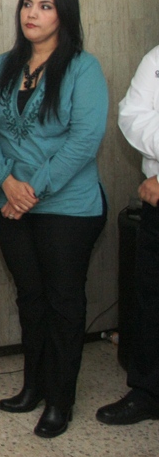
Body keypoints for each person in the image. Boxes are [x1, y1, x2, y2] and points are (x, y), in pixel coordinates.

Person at [0, 0, 107, 438]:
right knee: (30, 298)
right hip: (7, 202)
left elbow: (85, 140)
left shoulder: (83, 68)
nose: (32, 14)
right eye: (27, 4)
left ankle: (60, 399)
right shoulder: (0, 66)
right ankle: (32, 386)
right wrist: (5, 182)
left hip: (67, 206)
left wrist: (30, 190)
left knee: (63, 302)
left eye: (45, 6)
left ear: (64, 15)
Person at [96, 44, 159, 426]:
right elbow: (133, 116)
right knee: (151, 299)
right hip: (155, 201)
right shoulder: (155, 58)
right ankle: (148, 392)